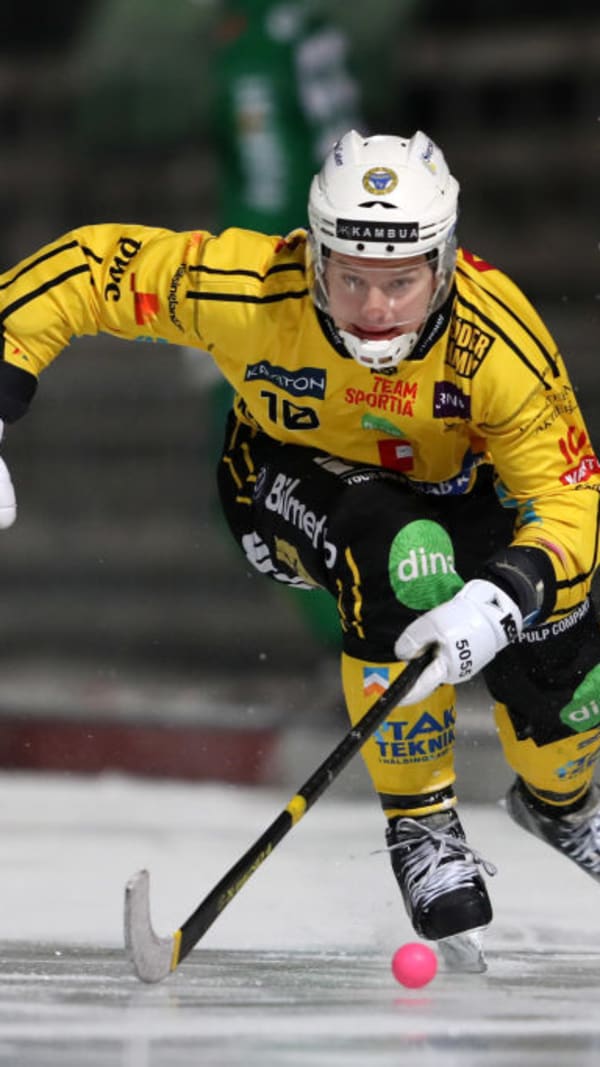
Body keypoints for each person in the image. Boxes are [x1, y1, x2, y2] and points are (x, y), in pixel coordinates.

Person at [1, 129, 600, 968]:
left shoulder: (497, 342)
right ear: (315, 257)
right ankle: (422, 824)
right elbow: (92, 269)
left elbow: (569, 497)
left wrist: (509, 592)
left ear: (443, 265)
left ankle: (563, 803)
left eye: (400, 280)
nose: (375, 307)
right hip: (282, 481)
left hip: (461, 494)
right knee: (405, 553)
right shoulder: (251, 289)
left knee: (564, 640)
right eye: (350, 276)